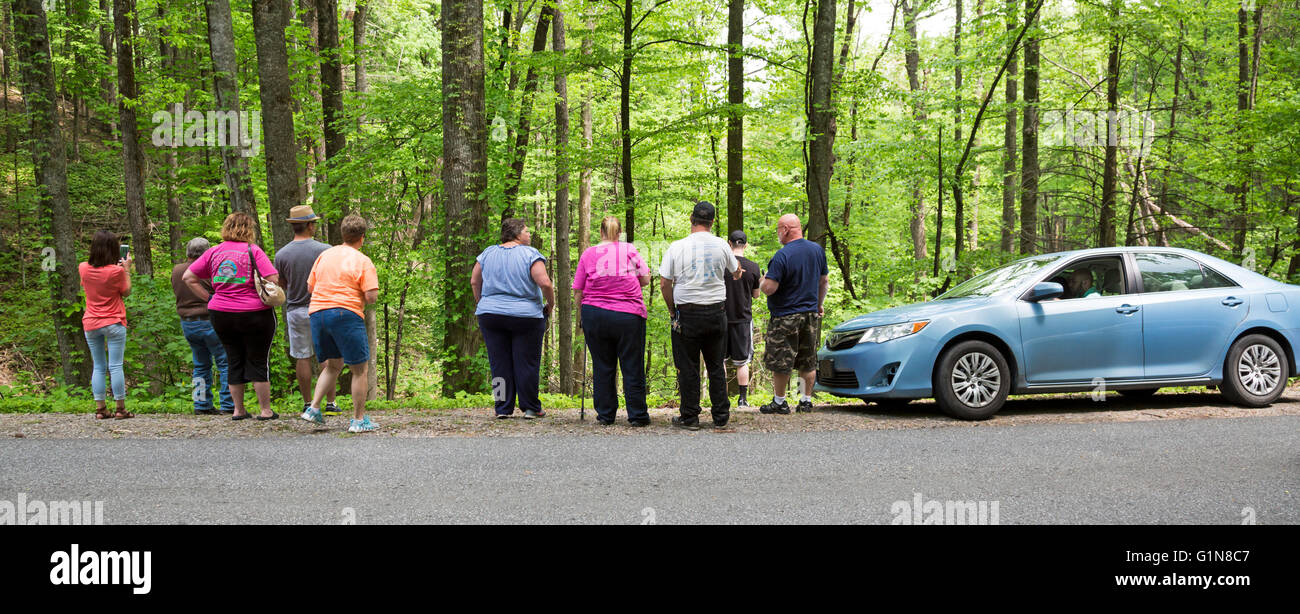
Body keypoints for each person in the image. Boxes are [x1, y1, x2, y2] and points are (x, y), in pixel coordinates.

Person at [182, 212, 282, 421]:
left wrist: (210, 298)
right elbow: (272, 278)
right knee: (258, 359)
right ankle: (265, 410)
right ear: (249, 229)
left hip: (222, 313)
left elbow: (188, 277)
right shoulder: (252, 250)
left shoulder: (213, 252)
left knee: (233, 358)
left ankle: (238, 409)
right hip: (254, 314)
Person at [659, 201, 741, 430]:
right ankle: (720, 415)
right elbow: (736, 271)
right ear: (712, 222)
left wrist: (672, 309)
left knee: (688, 366)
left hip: (687, 312)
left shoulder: (677, 246)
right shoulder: (722, 246)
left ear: (691, 219)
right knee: (716, 365)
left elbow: (665, 282)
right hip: (716, 311)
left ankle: (690, 416)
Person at [298, 214, 381, 433]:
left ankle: (313, 408)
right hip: (345, 313)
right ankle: (358, 420)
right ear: (362, 237)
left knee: (334, 365)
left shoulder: (325, 255)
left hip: (317, 314)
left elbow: (310, 288)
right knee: (359, 369)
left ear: (343, 234)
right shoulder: (363, 261)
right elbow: (371, 296)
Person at [472, 218, 555, 419]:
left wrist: (482, 303)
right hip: (525, 316)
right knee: (526, 362)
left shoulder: (487, 253)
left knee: (498, 363)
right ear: (517, 234)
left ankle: (502, 408)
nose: (529, 235)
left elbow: (475, 280)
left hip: (491, 315)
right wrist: (550, 305)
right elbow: (544, 282)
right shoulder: (530, 254)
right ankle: (530, 407)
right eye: (526, 231)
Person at [572, 216, 651, 426]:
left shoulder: (588, 253)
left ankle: (606, 415)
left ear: (601, 232)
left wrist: (580, 314)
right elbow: (645, 278)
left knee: (602, 365)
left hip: (595, 314)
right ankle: (637, 416)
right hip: (628, 314)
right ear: (619, 233)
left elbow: (578, 289)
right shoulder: (629, 250)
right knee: (632, 365)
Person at [758, 214, 828, 415]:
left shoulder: (782, 255)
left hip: (785, 315)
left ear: (786, 229)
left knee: (782, 360)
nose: (778, 234)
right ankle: (805, 400)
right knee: (807, 359)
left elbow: (770, 288)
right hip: (810, 314)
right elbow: (824, 282)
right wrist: (818, 305)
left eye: (779, 229)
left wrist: (762, 281)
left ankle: (780, 402)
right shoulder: (817, 251)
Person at [275, 205, 339, 416]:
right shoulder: (325, 250)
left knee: (302, 356)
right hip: (321, 307)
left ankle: (307, 402)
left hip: (295, 309)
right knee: (326, 357)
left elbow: (282, 284)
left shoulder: (282, 254)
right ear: (310, 226)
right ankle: (329, 403)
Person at [170, 237, 234, 415]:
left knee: (200, 364)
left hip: (188, 323)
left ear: (188, 252)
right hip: (211, 320)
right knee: (225, 362)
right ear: (208, 252)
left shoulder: (177, 270)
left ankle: (201, 404)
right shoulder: (210, 270)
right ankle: (228, 404)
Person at [79, 230, 132, 420]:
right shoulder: (116, 271)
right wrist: (127, 269)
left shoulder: (83, 267)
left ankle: (101, 409)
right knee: (116, 366)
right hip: (114, 321)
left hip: (91, 322)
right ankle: (120, 409)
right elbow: (126, 292)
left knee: (99, 366)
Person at [724, 229, 762, 409]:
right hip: (743, 318)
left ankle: (721, 398)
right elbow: (756, 295)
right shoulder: (754, 267)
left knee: (719, 360)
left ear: (729, 243)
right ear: (745, 245)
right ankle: (742, 399)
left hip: (721, 318)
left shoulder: (721, 265)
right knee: (743, 361)